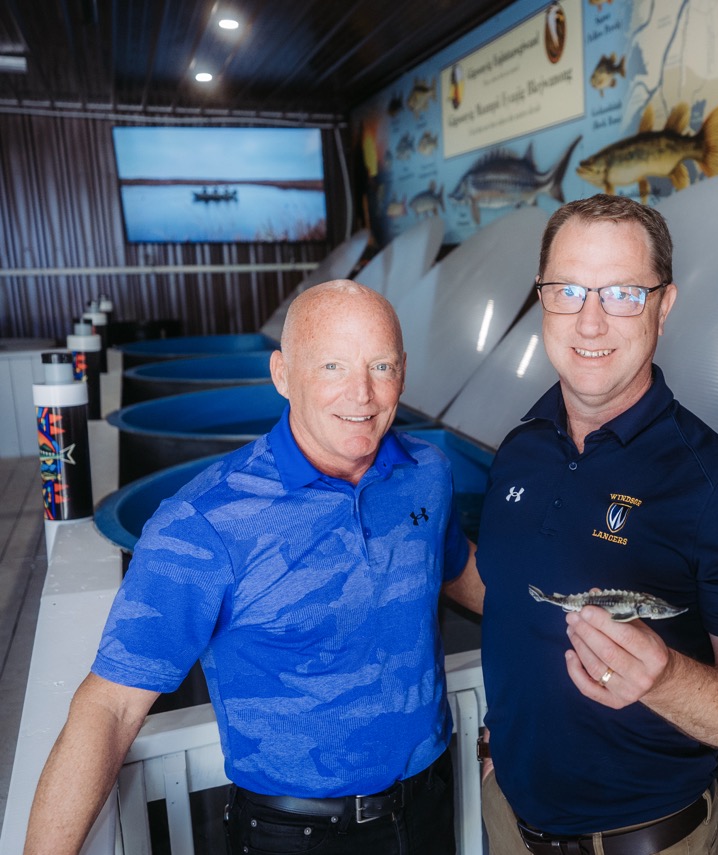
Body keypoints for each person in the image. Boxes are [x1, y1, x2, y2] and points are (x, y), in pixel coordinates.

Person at [25, 280, 483, 855]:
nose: (362, 394)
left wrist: (572, 617)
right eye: (333, 366)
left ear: (404, 372)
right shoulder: (204, 520)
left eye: (381, 365)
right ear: (283, 374)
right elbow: (111, 707)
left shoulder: (427, 471)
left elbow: (459, 571)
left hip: (429, 804)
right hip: (294, 832)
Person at [474, 194, 718, 854]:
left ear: (664, 305)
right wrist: (495, 744)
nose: (589, 321)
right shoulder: (519, 449)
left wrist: (665, 678)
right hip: (508, 820)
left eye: (621, 292)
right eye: (567, 289)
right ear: (541, 300)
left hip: (646, 839)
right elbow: (514, 613)